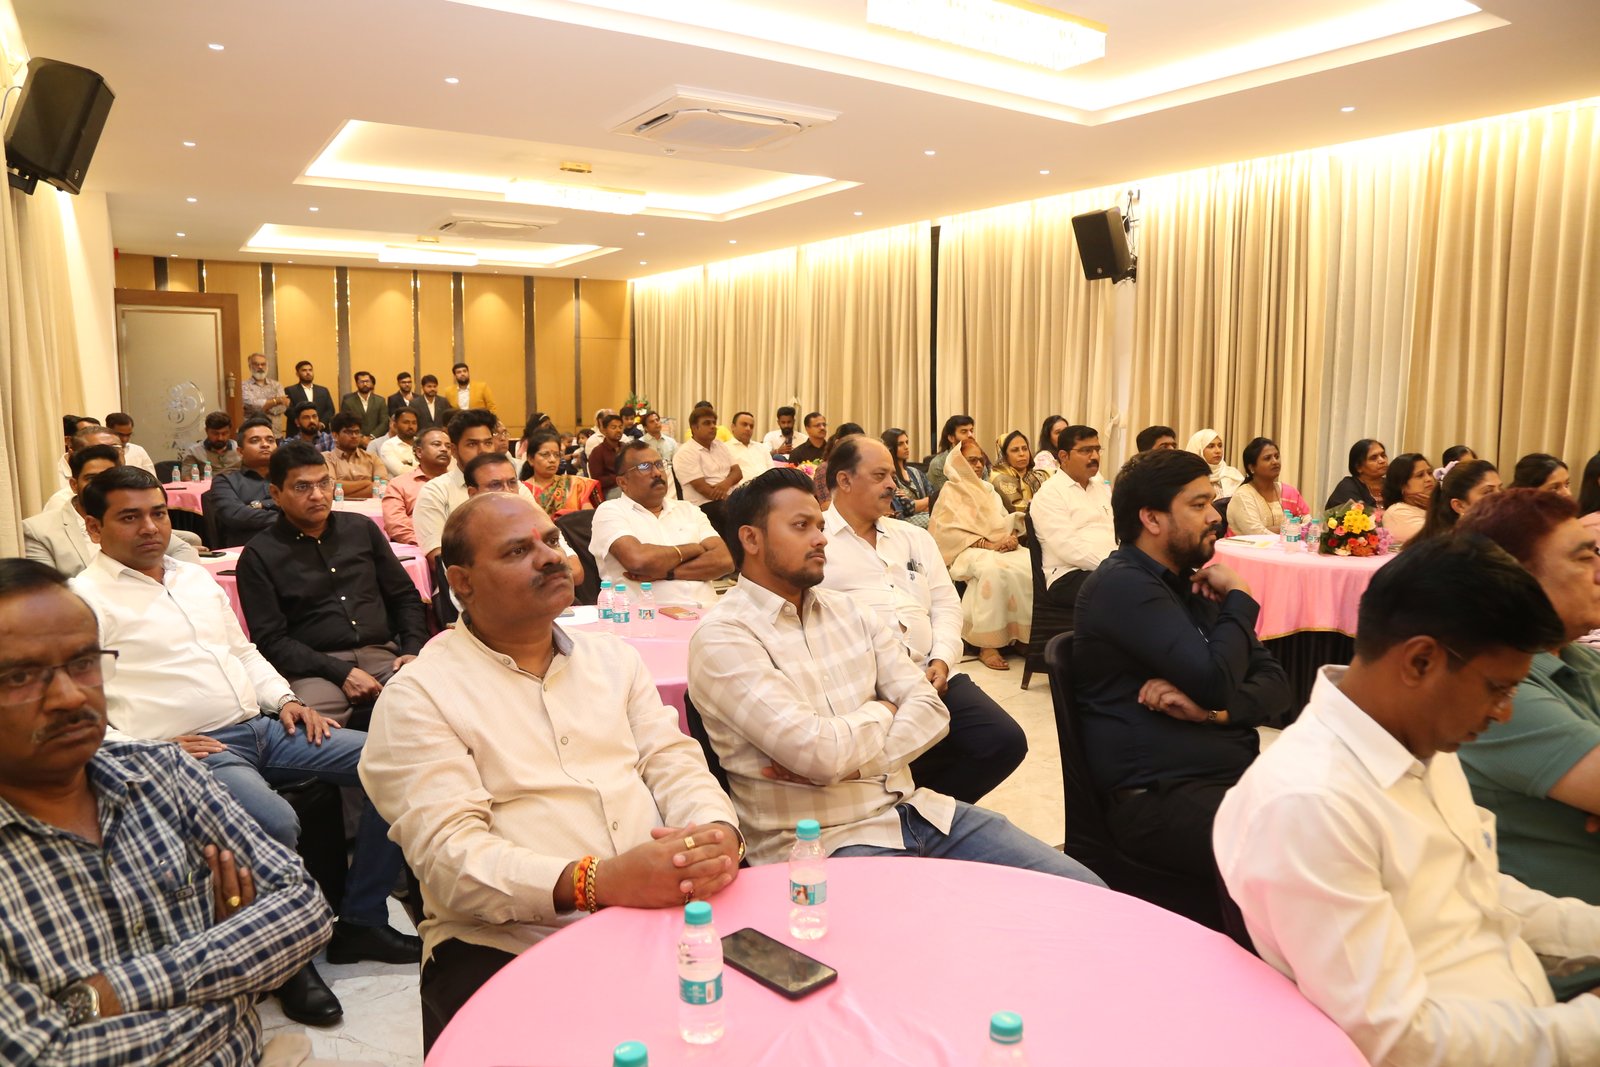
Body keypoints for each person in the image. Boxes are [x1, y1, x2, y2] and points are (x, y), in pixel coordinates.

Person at [359, 492, 743, 1050]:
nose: (550, 557)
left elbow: (672, 761)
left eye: (552, 541)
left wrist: (715, 831)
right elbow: (451, 861)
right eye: (518, 551)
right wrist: (598, 882)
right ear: (461, 582)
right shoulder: (420, 695)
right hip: (511, 940)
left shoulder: (614, 659)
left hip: (661, 906)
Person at [1212, 534, 1600, 1067]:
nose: (1505, 712)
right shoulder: (1311, 804)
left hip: (1526, 1021)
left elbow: (1480, 896)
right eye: (1498, 689)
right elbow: (1399, 1039)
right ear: (1420, 661)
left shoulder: (1422, 741)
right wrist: (1587, 1028)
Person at [69, 467, 420, 1027]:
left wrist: (285, 699)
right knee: (273, 821)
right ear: (94, 527)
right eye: (129, 517)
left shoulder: (192, 577)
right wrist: (148, 747)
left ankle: (360, 920)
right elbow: (77, 706)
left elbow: (242, 651)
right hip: (197, 750)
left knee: (399, 763)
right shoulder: (82, 601)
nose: (151, 528)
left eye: (158, 513)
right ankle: (285, 961)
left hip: (261, 725)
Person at [687, 468, 1103, 885]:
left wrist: (854, 764)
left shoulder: (849, 612)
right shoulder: (725, 637)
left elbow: (931, 711)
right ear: (751, 539)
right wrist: (886, 709)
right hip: (823, 847)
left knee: (1085, 891)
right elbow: (818, 755)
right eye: (801, 526)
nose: (821, 538)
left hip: (918, 814)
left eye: (820, 525)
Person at [0, 558, 340, 1065]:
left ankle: (367, 922)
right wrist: (234, 976)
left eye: (84, 662)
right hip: (207, 741)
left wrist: (108, 995)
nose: (69, 696)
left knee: (380, 758)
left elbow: (304, 909)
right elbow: (45, 1056)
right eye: (21, 676)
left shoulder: (163, 774)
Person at [1076, 448, 1294, 890]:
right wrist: (1240, 597)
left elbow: (1277, 685)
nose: (1215, 516)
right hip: (1161, 798)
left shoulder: (1190, 583)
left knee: (1343, 821)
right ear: (1152, 519)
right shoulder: (1124, 585)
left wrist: (1214, 715)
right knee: (1297, 855)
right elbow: (1215, 681)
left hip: (1219, 780)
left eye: (1211, 502)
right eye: (1198, 505)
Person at [822, 435, 1027, 802]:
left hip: (931, 675)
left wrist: (942, 660)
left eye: (891, 475)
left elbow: (947, 605)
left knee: (1003, 741)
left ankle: (921, 811)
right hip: (864, 687)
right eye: (880, 476)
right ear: (844, 480)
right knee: (876, 757)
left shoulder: (912, 537)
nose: (892, 485)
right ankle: (892, 806)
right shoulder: (816, 541)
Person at [1452, 491, 1600, 990]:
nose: (1599, 572)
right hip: (1568, 976)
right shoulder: (1500, 693)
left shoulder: (1579, 660)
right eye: (1584, 557)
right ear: (1517, 581)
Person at [236, 442, 428, 727]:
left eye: (324, 483)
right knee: (310, 734)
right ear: (276, 494)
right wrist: (341, 672)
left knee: (441, 705)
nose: (318, 495)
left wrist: (412, 649)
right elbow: (271, 641)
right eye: (302, 487)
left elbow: (404, 597)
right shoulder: (259, 554)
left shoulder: (361, 529)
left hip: (383, 656)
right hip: (312, 669)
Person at [413, 410, 579, 584]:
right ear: (454, 450)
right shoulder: (435, 492)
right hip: (468, 590)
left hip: (533, 583)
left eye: (487, 443)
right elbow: (439, 560)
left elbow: (561, 551)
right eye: (472, 444)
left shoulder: (516, 488)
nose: (483, 451)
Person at [590, 439, 731, 610]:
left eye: (659, 464)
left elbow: (724, 561)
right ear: (623, 482)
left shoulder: (688, 509)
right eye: (644, 467)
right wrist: (695, 548)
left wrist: (668, 573)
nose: (657, 473)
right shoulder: (610, 511)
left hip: (708, 611)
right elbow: (638, 561)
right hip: (646, 616)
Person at [931, 439, 1033, 670]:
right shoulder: (950, 491)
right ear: (958, 462)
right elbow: (945, 534)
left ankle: (1020, 636)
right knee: (992, 571)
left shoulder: (988, 489)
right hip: (965, 549)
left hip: (998, 546)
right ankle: (988, 644)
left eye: (980, 460)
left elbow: (1001, 520)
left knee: (1030, 564)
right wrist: (987, 544)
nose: (978, 465)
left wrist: (1011, 536)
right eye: (972, 460)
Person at [25, 448, 197, 574]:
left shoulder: (144, 524)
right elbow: (45, 592)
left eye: (110, 476)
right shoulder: (38, 531)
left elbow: (183, 550)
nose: (103, 485)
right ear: (74, 485)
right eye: (92, 478)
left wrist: (175, 581)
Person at [1030, 424, 1115, 626]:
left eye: (1097, 449)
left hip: (1108, 568)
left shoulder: (1101, 487)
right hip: (1068, 574)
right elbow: (1069, 549)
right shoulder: (1050, 494)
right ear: (1064, 456)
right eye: (1086, 451)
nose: (1095, 456)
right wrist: (1114, 568)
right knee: (1127, 589)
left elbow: (1116, 533)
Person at [205, 418, 282, 547]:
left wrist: (263, 504)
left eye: (270, 440)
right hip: (248, 547)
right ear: (240, 451)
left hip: (293, 544)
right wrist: (287, 518)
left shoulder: (288, 477)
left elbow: (302, 507)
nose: (265, 445)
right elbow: (236, 515)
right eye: (255, 440)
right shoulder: (224, 481)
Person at [382, 426, 452, 546]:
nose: (444, 449)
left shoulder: (460, 482)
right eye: (436, 444)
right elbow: (396, 525)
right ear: (419, 452)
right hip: (416, 547)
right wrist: (431, 545)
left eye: (448, 446)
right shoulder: (399, 484)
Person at [1227, 437, 1309, 536]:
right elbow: (1256, 534)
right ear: (1251, 467)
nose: (1275, 461)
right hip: (1249, 546)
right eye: (1267, 458)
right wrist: (1290, 528)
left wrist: (1274, 529)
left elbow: (1309, 524)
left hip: (1283, 545)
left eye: (1277, 456)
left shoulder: (1289, 492)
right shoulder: (1243, 496)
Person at [1416, 458, 1502, 542]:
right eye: (1488, 492)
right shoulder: (1453, 546)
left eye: (1500, 489)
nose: (1500, 497)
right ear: (1459, 506)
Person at [674, 406, 740, 507]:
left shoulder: (720, 445)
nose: (713, 426)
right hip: (705, 505)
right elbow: (706, 491)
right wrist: (735, 502)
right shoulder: (685, 453)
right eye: (707, 423)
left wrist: (726, 483)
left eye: (714, 423)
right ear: (694, 428)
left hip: (731, 499)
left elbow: (738, 473)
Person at [522, 429, 597, 513]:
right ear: (531, 459)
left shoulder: (574, 485)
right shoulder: (522, 490)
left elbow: (588, 516)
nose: (553, 460)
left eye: (557, 455)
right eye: (545, 454)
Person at [1379, 452, 1435, 545]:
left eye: (1430, 473)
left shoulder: (1431, 505)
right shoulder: (1397, 512)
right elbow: (1441, 539)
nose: (1429, 479)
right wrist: (1435, 506)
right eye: (1420, 475)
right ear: (1402, 485)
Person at [882, 427, 933, 529]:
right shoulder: (889, 476)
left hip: (925, 515)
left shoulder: (915, 472)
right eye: (900, 444)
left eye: (907, 442)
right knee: (939, 520)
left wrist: (922, 504)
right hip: (903, 521)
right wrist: (927, 502)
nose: (906, 447)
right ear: (890, 447)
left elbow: (934, 497)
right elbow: (906, 507)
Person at [322, 412, 380, 500]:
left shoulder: (372, 458)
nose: (354, 436)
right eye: (348, 432)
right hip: (339, 507)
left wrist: (342, 492)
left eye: (357, 432)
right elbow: (330, 487)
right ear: (335, 435)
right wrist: (366, 483)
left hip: (371, 507)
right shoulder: (327, 458)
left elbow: (383, 488)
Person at [989, 430, 1048, 514]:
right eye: (1015, 450)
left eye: (1025, 449)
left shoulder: (1038, 475)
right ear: (1004, 455)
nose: (1022, 454)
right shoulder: (999, 477)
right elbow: (1017, 508)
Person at [810, 422, 865, 506]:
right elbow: (826, 505)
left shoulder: (863, 467)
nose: (858, 449)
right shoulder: (825, 469)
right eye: (853, 444)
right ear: (838, 443)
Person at [1326, 438, 1389, 510]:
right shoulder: (1348, 487)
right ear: (1358, 467)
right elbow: (1359, 513)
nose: (1382, 461)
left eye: (1383, 455)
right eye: (1373, 458)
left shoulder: (1392, 484)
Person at [1184, 428, 1244, 498]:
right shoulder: (1188, 478)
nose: (1218, 451)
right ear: (1199, 450)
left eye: (1220, 446)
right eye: (1211, 446)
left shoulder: (1233, 475)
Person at [925, 414, 976, 496]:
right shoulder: (938, 464)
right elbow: (946, 496)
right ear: (951, 438)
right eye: (964, 432)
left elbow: (986, 488)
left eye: (971, 431)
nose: (970, 435)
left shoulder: (978, 460)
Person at [241, 351, 290, 432]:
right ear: (250, 366)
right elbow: (252, 405)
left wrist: (261, 407)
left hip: (275, 432)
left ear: (267, 366)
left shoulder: (277, 385)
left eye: (263, 364)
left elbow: (282, 408)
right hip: (253, 431)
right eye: (256, 364)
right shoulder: (243, 386)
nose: (260, 367)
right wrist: (277, 401)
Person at [337, 371, 387, 442]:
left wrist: (372, 437)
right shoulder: (348, 401)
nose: (365, 384)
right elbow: (345, 422)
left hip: (376, 440)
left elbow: (384, 422)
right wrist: (362, 438)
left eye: (367, 381)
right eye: (362, 382)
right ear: (356, 383)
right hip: (355, 440)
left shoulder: (380, 400)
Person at [725, 411, 773, 484]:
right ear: (733, 427)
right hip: (741, 489)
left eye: (751, 426)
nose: (748, 428)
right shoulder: (725, 448)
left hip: (768, 487)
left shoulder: (761, 448)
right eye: (744, 424)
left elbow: (772, 471)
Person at [586, 412, 626, 499]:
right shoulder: (598, 452)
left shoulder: (626, 448)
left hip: (628, 485)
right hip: (610, 489)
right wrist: (618, 478)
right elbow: (597, 479)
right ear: (604, 430)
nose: (618, 430)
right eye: (614, 427)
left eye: (620, 427)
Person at [286, 360, 336, 429]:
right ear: (297, 374)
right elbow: (288, 410)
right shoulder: (290, 390)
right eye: (304, 370)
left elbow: (330, 410)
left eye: (310, 370)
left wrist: (322, 423)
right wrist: (304, 423)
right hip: (298, 430)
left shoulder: (323, 390)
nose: (308, 372)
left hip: (321, 431)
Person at [378, 407, 421, 477]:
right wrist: (427, 470)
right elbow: (401, 471)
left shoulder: (423, 443)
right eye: (406, 422)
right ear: (395, 425)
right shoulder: (388, 446)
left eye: (414, 423)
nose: (411, 426)